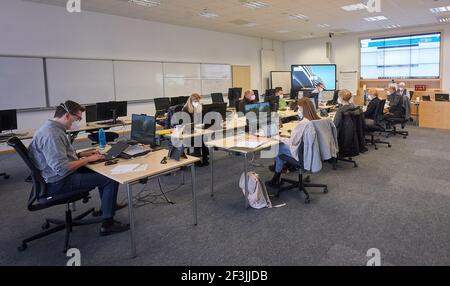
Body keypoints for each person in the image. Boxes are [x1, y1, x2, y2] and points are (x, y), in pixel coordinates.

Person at [28, 100, 129, 236]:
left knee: (102, 168)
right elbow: (62, 168)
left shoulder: (51, 128)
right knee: (109, 179)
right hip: (58, 182)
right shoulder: (53, 135)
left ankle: (107, 206)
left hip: (53, 176)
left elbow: (59, 156)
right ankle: (107, 224)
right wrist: (87, 159)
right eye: (78, 118)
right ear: (67, 115)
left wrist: (82, 154)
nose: (77, 122)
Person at [267, 97, 321, 187]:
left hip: (303, 154)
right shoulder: (317, 120)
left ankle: (276, 178)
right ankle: (283, 169)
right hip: (312, 153)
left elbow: (293, 142)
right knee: (280, 148)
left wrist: (280, 138)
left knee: (277, 147)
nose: (298, 111)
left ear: (303, 109)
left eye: (299, 108)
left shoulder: (303, 123)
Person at [182, 93, 210, 166]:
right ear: (191, 101)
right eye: (195, 101)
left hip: (198, 129)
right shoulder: (185, 109)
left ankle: (205, 157)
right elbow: (185, 124)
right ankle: (197, 159)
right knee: (199, 138)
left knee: (203, 136)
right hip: (188, 132)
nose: (197, 103)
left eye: (198, 101)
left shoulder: (199, 108)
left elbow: (204, 118)